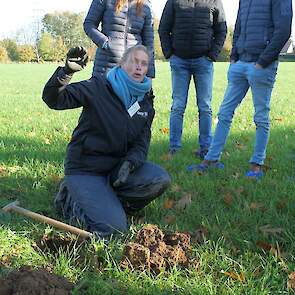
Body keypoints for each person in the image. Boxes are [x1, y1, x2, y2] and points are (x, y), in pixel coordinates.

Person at [42, 45, 170, 238]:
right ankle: (70, 200)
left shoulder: (145, 100)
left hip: (116, 169)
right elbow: (54, 99)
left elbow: (142, 141)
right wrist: (67, 72)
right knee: (113, 230)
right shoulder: (99, 86)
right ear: (122, 63)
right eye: (134, 61)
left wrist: (130, 163)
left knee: (159, 179)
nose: (139, 67)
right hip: (86, 169)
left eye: (144, 64)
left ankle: (106, 203)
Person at [190, 0, 293, 179]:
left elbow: (283, 30)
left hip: (262, 65)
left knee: (261, 117)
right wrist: (233, 57)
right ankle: (212, 159)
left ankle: (256, 165)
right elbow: (238, 27)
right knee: (224, 113)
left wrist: (262, 62)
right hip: (240, 64)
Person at [158, 0, 227, 158]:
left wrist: (212, 55)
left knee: (205, 106)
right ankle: (174, 148)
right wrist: (169, 53)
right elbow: (163, 28)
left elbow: (221, 30)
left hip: (203, 61)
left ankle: (205, 148)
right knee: (178, 106)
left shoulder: (215, 1)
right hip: (179, 61)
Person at [83, 0, 155, 78]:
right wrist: (105, 43)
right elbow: (89, 24)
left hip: (133, 70)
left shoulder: (146, 4)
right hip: (106, 66)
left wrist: (150, 74)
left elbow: (149, 42)